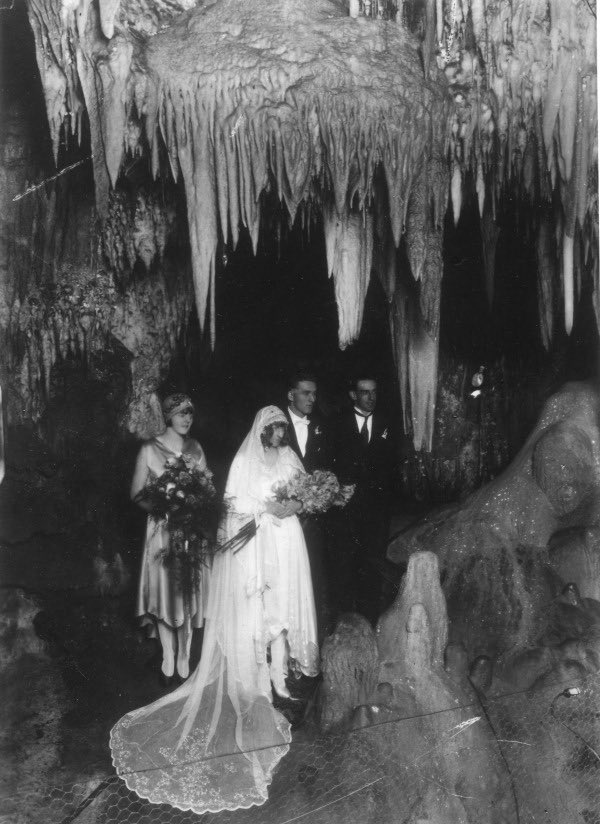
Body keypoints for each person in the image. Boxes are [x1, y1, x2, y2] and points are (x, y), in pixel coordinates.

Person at [110, 406, 319, 814]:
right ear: (261, 431)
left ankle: (280, 679)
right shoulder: (243, 461)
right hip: (255, 545)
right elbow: (233, 508)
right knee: (254, 612)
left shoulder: (291, 459)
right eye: (273, 430)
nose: (279, 435)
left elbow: (301, 492)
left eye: (282, 430)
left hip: (287, 544)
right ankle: (250, 677)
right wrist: (266, 511)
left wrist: (296, 505)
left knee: (282, 614)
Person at [131, 393, 208, 685]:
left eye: (190, 413)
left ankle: (185, 653)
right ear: (168, 416)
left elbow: (207, 491)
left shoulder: (196, 448)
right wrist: (164, 509)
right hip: (162, 532)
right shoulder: (150, 449)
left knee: (187, 592)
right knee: (164, 592)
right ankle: (167, 654)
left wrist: (195, 507)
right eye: (180, 414)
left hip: (189, 531)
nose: (186, 419)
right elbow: (137, 493)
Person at [330, 375, 396, 623]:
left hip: (376, 515)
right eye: (365, 392)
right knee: (344, 571)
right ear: (353, 395)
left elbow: (393, 467)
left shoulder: (387, 423)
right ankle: (344, 628)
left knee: (372, 571)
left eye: (374, 392)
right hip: (345, 515)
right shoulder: (336, 423)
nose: (371, 397)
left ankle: (370, 626)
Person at [284, 371, 332, 636]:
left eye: (314, 393)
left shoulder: (322, 424)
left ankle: (311, 636)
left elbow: (328, 470)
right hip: (283, 518)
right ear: (291, 395)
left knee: (313, 578)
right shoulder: (275, 425)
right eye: (306, 393)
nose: (312, 398)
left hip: (313, 520)